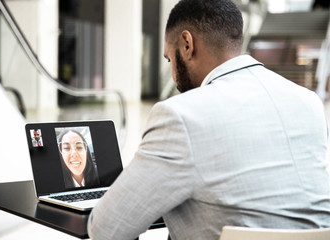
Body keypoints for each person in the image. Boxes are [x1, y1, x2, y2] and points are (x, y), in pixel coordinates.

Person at [88, 0, 330, 239]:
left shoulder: (180, 116)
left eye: (169, 59)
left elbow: (106, 229)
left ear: (186, 44)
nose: (173, 73)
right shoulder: (308, 102)